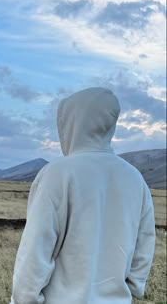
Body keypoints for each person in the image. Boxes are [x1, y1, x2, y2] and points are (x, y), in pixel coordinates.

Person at [10, 87, 155, 304]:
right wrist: (134, 284)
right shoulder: (134, 178)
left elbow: (35, 251)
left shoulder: (57, 174)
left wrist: (24, 299)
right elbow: (144, 242)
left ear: (72, 123)